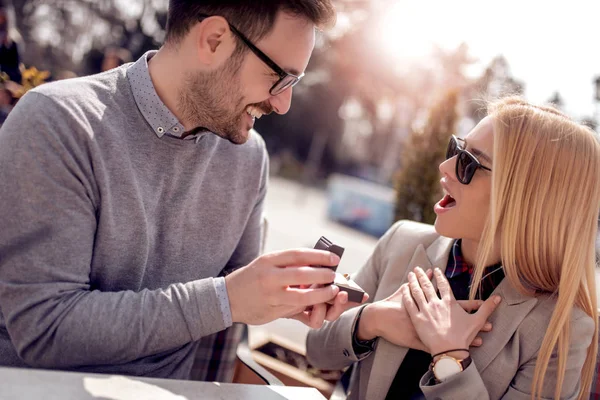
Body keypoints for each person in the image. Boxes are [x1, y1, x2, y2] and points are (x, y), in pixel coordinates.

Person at [0, 0, 361, 380]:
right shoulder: (59, 123)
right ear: (214, 40)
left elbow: (224, 325)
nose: (283, 103)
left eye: (294, 83)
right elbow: (46, 330)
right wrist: (226, 300)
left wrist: (277, 298)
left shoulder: (249, 157)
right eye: (280, 78)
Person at [307, 97, 600, 400]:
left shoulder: (561, 331)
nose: (444, 166)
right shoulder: (402, 242)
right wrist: (371, 321)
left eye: (468, 163)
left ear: (524, 200)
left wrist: (450, 358)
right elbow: (316, 351)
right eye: (456, 149)